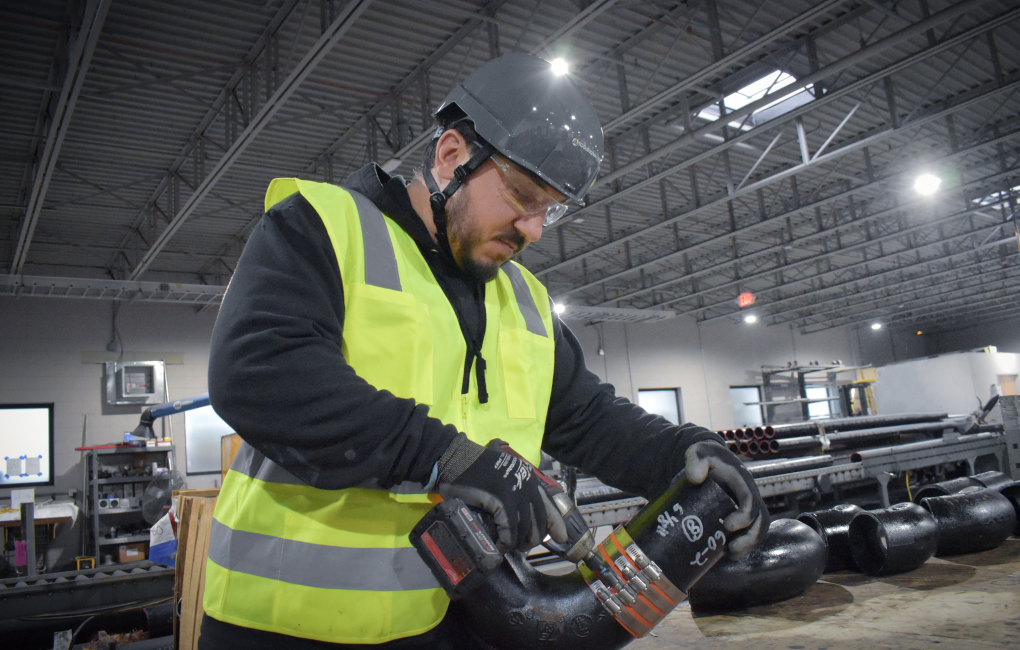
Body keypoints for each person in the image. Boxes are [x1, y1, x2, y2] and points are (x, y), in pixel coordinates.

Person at [199, 53, 767, 650]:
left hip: (463, 619)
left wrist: (681, 455)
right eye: (522, 196)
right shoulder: (325, 229)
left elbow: (585, 417)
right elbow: (258, 370)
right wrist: (445, 455)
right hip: (290, 627)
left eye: (550, 209)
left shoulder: (523, 299)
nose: (533, 229)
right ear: (451, 156)